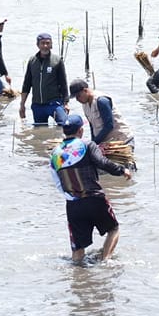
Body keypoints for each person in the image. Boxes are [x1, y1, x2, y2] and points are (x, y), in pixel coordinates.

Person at [50, 111, 132, 263]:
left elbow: (57, 182)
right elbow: (102, 163)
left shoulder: (55, 153)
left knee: (77, 249)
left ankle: (78, 275)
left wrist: (71, 196)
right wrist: (122, 170)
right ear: (80, 130)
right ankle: (106, 261)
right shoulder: (87, 145)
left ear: (64, 131)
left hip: (73, 204)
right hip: (94, 199)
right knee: (113, 229)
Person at [72, 78, 135, 167]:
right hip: (106, 143)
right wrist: (94, 144)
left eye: (78, 96)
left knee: (126, 169)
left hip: (121, 141)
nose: (77, 99)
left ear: (85, 90)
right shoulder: (85, 104)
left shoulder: (101, 101)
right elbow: (92, 126)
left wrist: (93, 143)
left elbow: (109, 125)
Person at [20, 32, 70, 125]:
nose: (45, 46)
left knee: (65, 125)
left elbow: (63, 83)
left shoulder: (57, 60)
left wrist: (66, 103)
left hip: (54, 103)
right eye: (42, 43)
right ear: (38, 45)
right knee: (39, 132)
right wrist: (22, 104)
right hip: (37, 105)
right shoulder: (32, 61)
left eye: (48, 43)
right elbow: (26, 85)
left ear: (51, 45)